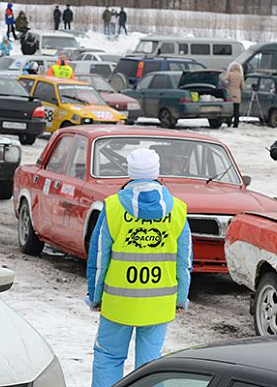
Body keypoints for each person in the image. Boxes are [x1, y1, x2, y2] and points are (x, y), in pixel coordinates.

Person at [86, 147, 192, 387]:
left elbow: (100, 257)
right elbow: (184, 262)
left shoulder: (113, 207)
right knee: (151, 367)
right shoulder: (177, 209)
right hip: (159, 304)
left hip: (117, 303)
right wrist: (180, 299)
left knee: (108, 357)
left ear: (130, 172)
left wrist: (95, 296)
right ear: (156, 173)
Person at [221, 62, 244, 128]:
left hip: (230, 92)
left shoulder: (230, 74)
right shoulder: (240, 76)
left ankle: (229, 122)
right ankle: (236, 123)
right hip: (237, 92)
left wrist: (225, 84)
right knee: (236, 110)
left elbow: (222, 79)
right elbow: (242, 86)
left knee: (230, 109)